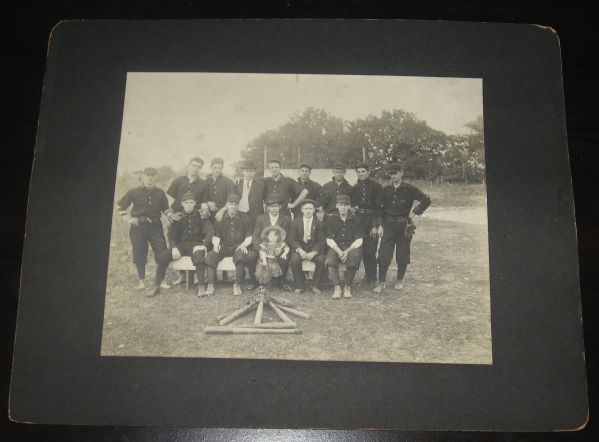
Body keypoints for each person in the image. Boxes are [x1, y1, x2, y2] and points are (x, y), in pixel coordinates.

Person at [373, 162, 431, 293]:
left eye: (395, 173)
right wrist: (380, 225)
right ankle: (381, 282)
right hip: (388, 225)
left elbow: (426, 200)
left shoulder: (410, 189)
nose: (393, 176)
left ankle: (399, 280)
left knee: (402, 253)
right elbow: (379, 208)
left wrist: (415, 212)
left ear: (401, 173)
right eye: (391, 173)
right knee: (383, 254)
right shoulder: (386, 190)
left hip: (403, 226)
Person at [116, 167, 170, 297]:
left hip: (155, 226)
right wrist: (128, 218)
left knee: (162, 252)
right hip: (138, 227)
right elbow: (120, 206)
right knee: (139, 252)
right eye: (147, 175)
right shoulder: (133, 191)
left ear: (155, 177)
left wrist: (170, 215)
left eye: (152, 175)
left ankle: (161, 280)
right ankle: (141, 281)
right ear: (143, 177)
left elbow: (166, 209)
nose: (150, 178)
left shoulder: (160, 192)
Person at [155, 192, 215, 297]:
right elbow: (171, 236)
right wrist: (174, 248)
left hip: (196, 244)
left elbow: (210, 231)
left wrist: (204, 245)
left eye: (191, 202)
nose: (188, 205)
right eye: (186, 203)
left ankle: (201, 287)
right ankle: (156, 285)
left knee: (199, 255)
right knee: (162, 257)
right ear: (182, 204)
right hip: (181, 246)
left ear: (195, 203)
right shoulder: (178, 217)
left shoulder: (200, 215)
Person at [166, 156, 207, 286]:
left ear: (200, 169)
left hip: (194, 216)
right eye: (193, 165)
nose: (195, 168)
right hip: (178, 216)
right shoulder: (178, 180)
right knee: (178, 244)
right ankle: (182, 275)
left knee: (193, 243)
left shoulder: (202, 183)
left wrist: (204, 211)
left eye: (198, 167)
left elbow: (204, 202)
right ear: (189, 165)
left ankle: (194, 275)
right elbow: (170, 199)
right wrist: (169, 214)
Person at [205, 194, 253, 296]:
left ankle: (237, 285)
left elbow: (249, 235)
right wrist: (216, 246)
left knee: (240, 256)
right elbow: (216, 235)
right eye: (231, 204)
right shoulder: (220, 218)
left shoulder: (245, 218)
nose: (233, 206)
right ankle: (210, 285)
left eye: (235, 204)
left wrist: (244, 244)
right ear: (226, 205)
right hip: (224, 247)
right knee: (211, 255)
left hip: (238, 246)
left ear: (238, 205)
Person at [246, 193, 292, 291]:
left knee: (284, 258)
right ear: (267, 208)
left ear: (280, 207)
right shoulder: (261, 218)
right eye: (271, 206)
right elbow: (255, 236)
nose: (274, 209)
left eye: (276, 206)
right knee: (251, 257)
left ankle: (281, 282)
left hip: (278, 247)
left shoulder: (286, 219)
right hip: (263, 247)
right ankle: (255, 281)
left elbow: (288, 237)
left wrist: (281, 249)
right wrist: (261, 250)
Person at [324, 194, 364, 299]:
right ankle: (337, 287)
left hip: (351, 246)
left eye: (346, 205)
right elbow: (329, 239)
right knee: (330, 259)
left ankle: (347, 286)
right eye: (341, 205)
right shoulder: (331, 219)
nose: (343, 207)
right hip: (336, 246)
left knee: (355, 257)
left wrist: (347, 251)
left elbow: (359, 239)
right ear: (337, 205)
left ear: (349, 207)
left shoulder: (356, 219)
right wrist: (338, 251)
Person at [350, 162, 383, 286]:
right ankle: (366, 276)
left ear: (368, 172)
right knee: (360, 247)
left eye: (363, 171)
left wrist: (376, 225)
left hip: (371, 221)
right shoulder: (354, 188)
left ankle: (372, 276)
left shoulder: (376, 187)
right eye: (358, 172)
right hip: (359, 220)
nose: (361, 174)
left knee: (371, 249)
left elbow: (379, 208)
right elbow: (352, 206)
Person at [288, 199, 326, 295]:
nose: (308, 211)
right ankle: (300, 285)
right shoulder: (295, 222)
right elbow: (292, 239)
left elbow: (321, 240)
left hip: (313, 249)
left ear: (314, 210)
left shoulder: (319, 223)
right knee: (294, 260)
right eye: (306, 209)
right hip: (300, 248)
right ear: (302, 210)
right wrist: (300, 250)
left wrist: (314, 252)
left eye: (310, 209)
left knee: (321, 260)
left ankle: (315, 285)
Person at [255, 225, 290, 295]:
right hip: (266, 261)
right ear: (267, 237)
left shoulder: (279, 244)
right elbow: (263, 252)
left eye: (275, 236)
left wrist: (284, 254)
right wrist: (264, 260)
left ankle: (274, 284)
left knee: (274, 273)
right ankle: (265, 285)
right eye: (271, 236)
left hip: (274, 262)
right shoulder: (266, 244)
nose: (273, 238)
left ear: (278, 237)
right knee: (265, 273)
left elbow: (287, 248)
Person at [235, 160, 265, 228]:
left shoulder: (260, 184)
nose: (249, 173)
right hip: (240, 212)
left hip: (255, 214)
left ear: (254, 172)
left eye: (251, 171)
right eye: (247, 171)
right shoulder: (238, 183)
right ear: (243, 172)